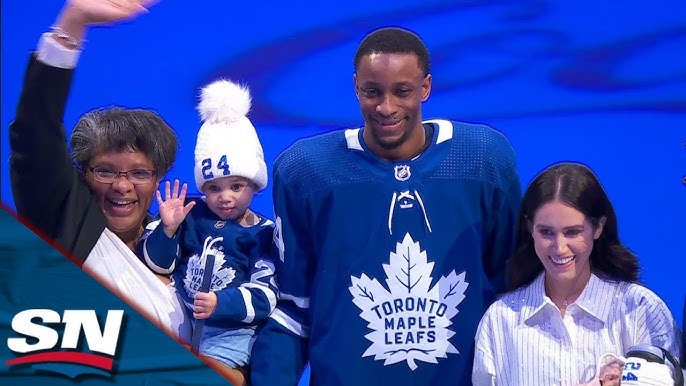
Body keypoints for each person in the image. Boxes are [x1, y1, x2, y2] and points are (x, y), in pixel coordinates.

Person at [249, 26, 522, 386]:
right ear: (356, 87)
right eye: (372, 92)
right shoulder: (306, 172)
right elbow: (293, 308)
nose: (386, 107)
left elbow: (513, 293)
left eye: (402, 91)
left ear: (425, 87)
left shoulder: (484, 160)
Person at [8, 0, 189, 342]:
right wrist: (73, 23)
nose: (122, 186)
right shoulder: (65, 225)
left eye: (138, 174)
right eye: (105, 171)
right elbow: (34, 132)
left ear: (159, 178)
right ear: (83, 174)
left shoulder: (188, 242)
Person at [472, 162, 682, 386]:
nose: (559, 247)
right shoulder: (499, 320)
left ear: (599, 227)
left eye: (572, 232)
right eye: (546, 232)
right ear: (529, 228)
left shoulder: (642, 310)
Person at [138, 79, 278, 385]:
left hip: (232, 332)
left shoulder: (263, 233)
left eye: (236, 186)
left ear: (255, 184)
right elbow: (154, 264)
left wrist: (221, 303)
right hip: (184, 321)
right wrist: (168, 229)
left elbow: (267, 295)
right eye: (213, 188)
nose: (225, 197)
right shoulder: (188, 212)